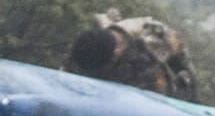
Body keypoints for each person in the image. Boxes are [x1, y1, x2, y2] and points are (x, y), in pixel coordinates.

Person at [65, 12, 199, 101]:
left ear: (116, 55)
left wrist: (190, 96)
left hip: (154, 95)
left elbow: (183, 63)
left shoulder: (154, 37)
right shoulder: (88, 47)